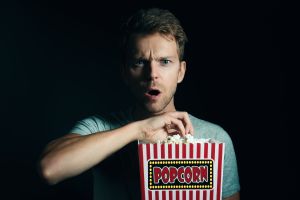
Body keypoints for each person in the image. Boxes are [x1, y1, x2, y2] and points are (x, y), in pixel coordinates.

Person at [38, 8, 240, 200]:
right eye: (139, 63)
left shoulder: (215, 139)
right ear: (125, 72)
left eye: (165, 62)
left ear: (181, 71)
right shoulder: (101, 128)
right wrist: (139, 131)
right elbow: (50, 169)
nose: (152, 74)